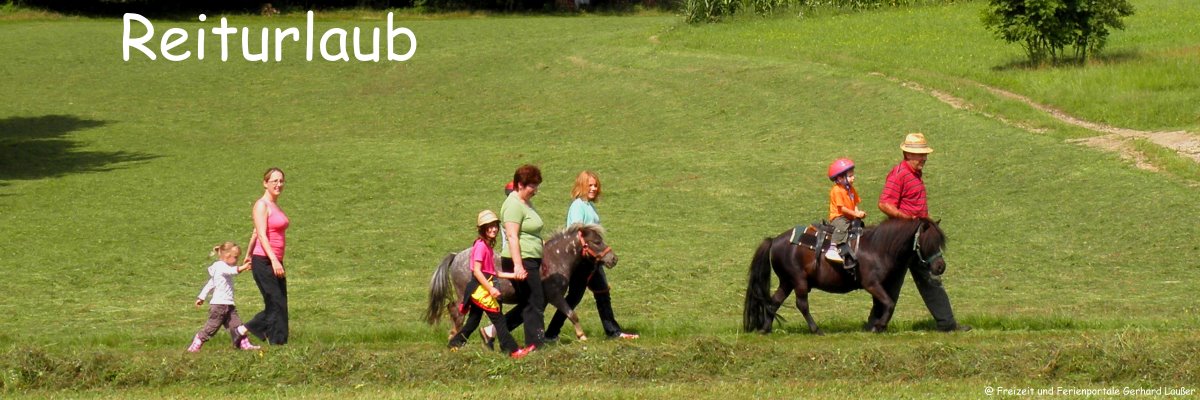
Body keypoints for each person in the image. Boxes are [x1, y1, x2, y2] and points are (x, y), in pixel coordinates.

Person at [875, 133, 971, 332]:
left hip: (918, 239)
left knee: (931, 280)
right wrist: (907, 220)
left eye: (924, 155)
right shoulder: (899, 174)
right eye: (919, 155)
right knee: (892, 285)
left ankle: (947, 324)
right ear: (907, 154)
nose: (924, 159)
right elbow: (884, 204)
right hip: (903, 241)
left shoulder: (915, 174)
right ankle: (875, 326)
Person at [545, 171, 638, 341]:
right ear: (582, 186)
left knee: (599, 293)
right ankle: (551, 333)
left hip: (593, 260)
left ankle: (612, 331)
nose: (594, 188)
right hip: (584, 262)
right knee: (575, 297)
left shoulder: (589, 205)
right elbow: (576, 233)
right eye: (590, 185)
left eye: (596, 185)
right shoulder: (578, 206)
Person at [480, 165, 546, 352]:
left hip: (531, 258)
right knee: (535, 300)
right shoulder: (513, 204)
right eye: (532, 186)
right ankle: (535, 344)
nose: (535, 190)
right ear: (520, 184)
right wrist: (517, 265)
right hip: (521, 259)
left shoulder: (525, 203)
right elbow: (512, 236)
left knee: (531, 301)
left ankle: (492, 331)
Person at [449, 210, 532, 358]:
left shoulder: (487, 247)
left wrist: (514, 275)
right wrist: (491, 289)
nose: (493, 229)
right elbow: (477, 271)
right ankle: (513, 351)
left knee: (473, 321)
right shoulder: (480, 246)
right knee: (499, 320)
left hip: (483, 286)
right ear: (482, 229)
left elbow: (494, 272)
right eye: (489, 226)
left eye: (495, 226)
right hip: (480, 288)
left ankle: (454, 344)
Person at [242, 167, 291, 345]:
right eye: (274, 181)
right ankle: (243, 330)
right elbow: (261, 235)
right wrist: (273, 260)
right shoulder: (261, 205)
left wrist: (247, 255)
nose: (279, 184)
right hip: (265, 261)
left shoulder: (274, 205)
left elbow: (254, 233)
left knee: (280, 304)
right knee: (276, 303)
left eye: (281, 181)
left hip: (274, 260)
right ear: (265, 183)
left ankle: (279, 343)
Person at [188, 241, 262, 352]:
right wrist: (243, 267)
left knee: (237, 326)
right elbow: (232, 271)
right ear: (227, 256)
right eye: (236, 257)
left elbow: (210, 284)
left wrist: (201, 297)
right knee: (212, 328)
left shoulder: (222, 267)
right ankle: (197, 342)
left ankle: (244, 344)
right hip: (219, 306)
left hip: (229, 305)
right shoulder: (221, 266)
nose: (237, 260)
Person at [825, 158, 866, 275]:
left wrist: (858, 214)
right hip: (839, 216)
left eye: (853, 175)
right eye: (850, 176)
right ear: (840, 178)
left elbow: (855, 204)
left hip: (850, 216)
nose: (853, 177)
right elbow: (842, 209)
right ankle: (833, 247)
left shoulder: (851, 189)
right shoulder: (837, 190)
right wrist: (855, 214)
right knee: (842, 226)